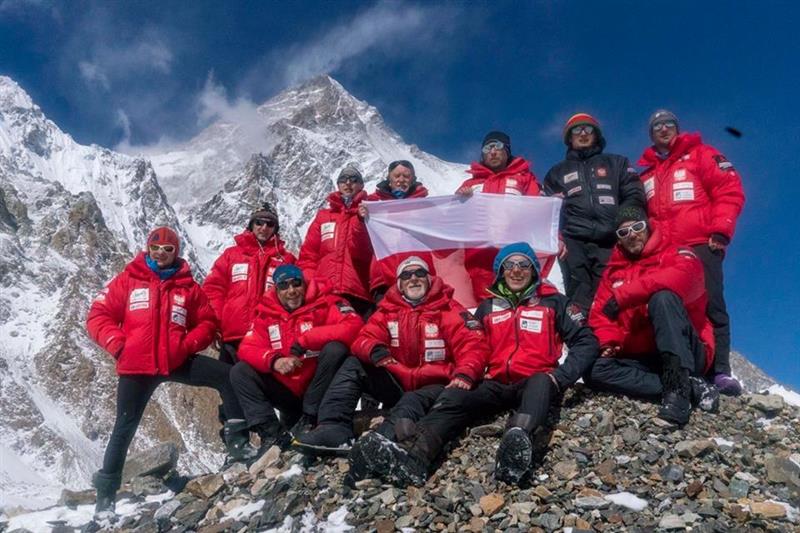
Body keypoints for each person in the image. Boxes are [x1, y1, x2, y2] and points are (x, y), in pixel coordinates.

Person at [350, 243, 598, 487]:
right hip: (494, 382)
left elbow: (586, 341)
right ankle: (416, 457)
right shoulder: (487, 307)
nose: (516, 270)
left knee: (541, 383)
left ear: (533, 269)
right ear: (500, 271)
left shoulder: (553, 302)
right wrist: (464, 375)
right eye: (509, 265)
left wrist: (561, 376)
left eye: (523, 264)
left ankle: (518, 444)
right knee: (453, 397)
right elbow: (473, 345)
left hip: (536, 380)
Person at [86, 227, 257, 514]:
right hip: (136, 367)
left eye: (168, 249)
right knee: (124, 428)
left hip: (175, 360)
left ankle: (237, 442)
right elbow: (98, 315)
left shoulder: (186, 286)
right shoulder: (128, 280)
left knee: (229, 375)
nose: (161, 254)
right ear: (148, 249)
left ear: (176, 252)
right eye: (156, 248)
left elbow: (207, 322)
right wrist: (117, 345)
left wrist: (188, 345)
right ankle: (105, 496)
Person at [293, 256, 489, 455]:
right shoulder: (388, 310)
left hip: (435, 385)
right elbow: (363, 337)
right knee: (354, 364)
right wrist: (374, 350)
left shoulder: (449, 309)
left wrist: (465, 373)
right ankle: (333, 427)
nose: (413, 279)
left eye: (420, 273)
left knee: (412, 402)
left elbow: (473, 344)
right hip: (397, 380)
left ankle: (382, 446)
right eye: (406, 275)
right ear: (399, 284)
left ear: (429, 279)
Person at [638, 110, 745, 395]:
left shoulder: (701, 155)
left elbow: (729, 189)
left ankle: (720, 370)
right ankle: (680, 366)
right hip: (663, 253)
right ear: (651, 134)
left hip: (700, 244)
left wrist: (720, 230)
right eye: (656, 126)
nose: (663, 129)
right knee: (668, 305)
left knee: (711, 303)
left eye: (668, 124)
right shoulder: (647, 174)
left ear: (677, 128)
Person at [585, 207, 720, 425]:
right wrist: (608, 342)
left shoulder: (677, 252)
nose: (631, 234)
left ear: (648, 227)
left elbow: (685, 280)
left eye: (637, 227)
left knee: (663, 298)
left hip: (686, 350)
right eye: (623, 232)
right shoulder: (612, 272)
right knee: (594, 371)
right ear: (618, 240)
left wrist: (625, 295)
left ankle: (678, 390)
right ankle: (691, 387)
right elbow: (600, 314)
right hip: (642, 356)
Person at [230, 265, 362, 453]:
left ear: (304, 284)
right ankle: (271, 434)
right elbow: (247, 347)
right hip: (287, 391)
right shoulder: (266, 314)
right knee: (240, 371)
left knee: (336, 349)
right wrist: (274, 361)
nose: (291, 291)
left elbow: (354, 326)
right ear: (276, 290)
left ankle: (313, 418)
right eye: (284, 286)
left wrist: (308, 339)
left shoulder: (326, 303)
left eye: (296, 284)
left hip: (320, 389)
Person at [543, 113, 645, 313]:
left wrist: (625, 224)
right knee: (578, 295)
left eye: (588, 129)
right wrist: (558, 237)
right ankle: (582, 340)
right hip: (574, 241)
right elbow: (549, 212)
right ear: (569, 138)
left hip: (611, 238)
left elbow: (634, 193)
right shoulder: (556, 173)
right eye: (576, 130)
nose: (583, 134)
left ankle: (610, 340)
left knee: (611, 291)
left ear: (596, 135)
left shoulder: (617, 163)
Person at [202, 203, 296, 364]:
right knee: (229, 385)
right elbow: (213, 290)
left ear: (275, 229)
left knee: (260, 387)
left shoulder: (286, 260)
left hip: (267, 338)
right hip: (232, 335)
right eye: (259, 222)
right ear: (251, 225)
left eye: (270, 224)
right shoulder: (231, 255)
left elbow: (295, 297)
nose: (264, 227)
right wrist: (215, 326)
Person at [298, 165, 374, 317]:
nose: (348, 183)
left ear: (361, 185)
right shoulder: (323, 217)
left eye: (354, 180)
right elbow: (308, 256)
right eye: (343, 180)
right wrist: (313, 284)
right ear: (338, 185)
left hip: (359, 293)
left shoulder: (370, 213)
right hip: (325, 294)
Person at [359, 160, 430, 300]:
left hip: (415, 275)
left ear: (413, 179)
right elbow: (360, 243)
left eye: (406, 176)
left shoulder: (426, 205)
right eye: (397, 176)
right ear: (389, 179)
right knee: (386, 320)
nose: (401, 180)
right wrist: (360, 220)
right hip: (383, 276)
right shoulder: (372, 203)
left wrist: (461, 199)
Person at [455, 131, 541, 196]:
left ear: (507, 152)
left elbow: (537, 208)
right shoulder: (470, 184)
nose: (492, 152)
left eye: (498, 146)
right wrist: (461, 199)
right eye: (487, 149)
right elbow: (454, 211)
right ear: (483, 156)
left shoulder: (525, 179)